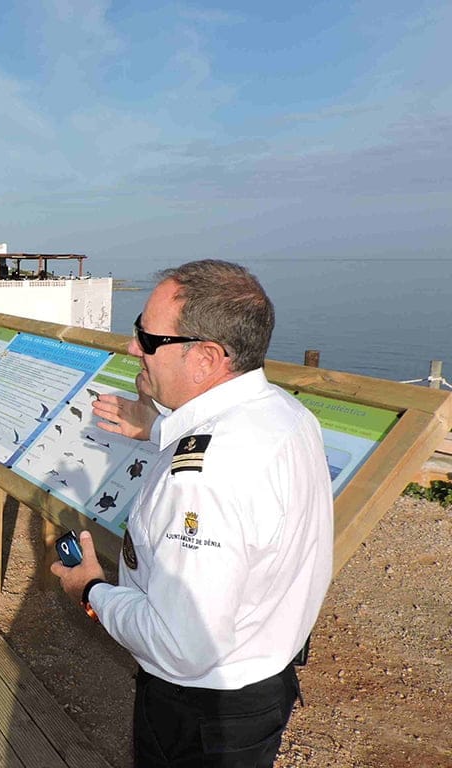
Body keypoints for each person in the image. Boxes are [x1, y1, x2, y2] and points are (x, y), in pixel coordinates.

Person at [51, 259, 333, 767]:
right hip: (260, 681)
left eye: (148, 338)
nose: (133, 347)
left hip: (201, 714)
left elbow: (181, 644)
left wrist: (91, 591)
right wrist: (155, 426)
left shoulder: (201, 480)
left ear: (206, 357)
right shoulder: (285, 414)